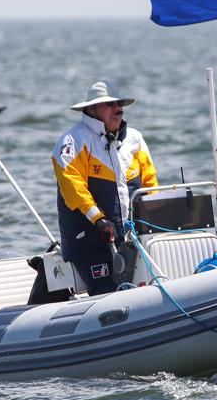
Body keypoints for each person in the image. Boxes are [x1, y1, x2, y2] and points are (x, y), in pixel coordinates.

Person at [52, 80, 157, 295]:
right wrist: (98, 219)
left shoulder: (135, 140)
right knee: (107, 291)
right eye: (109, 104)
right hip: (88, 242)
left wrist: (156, 218)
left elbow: (150, 186)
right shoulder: (73, 141)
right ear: (92, 109)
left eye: (119, 104)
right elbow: (72, 186)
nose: (118, 109)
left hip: (129, 241)